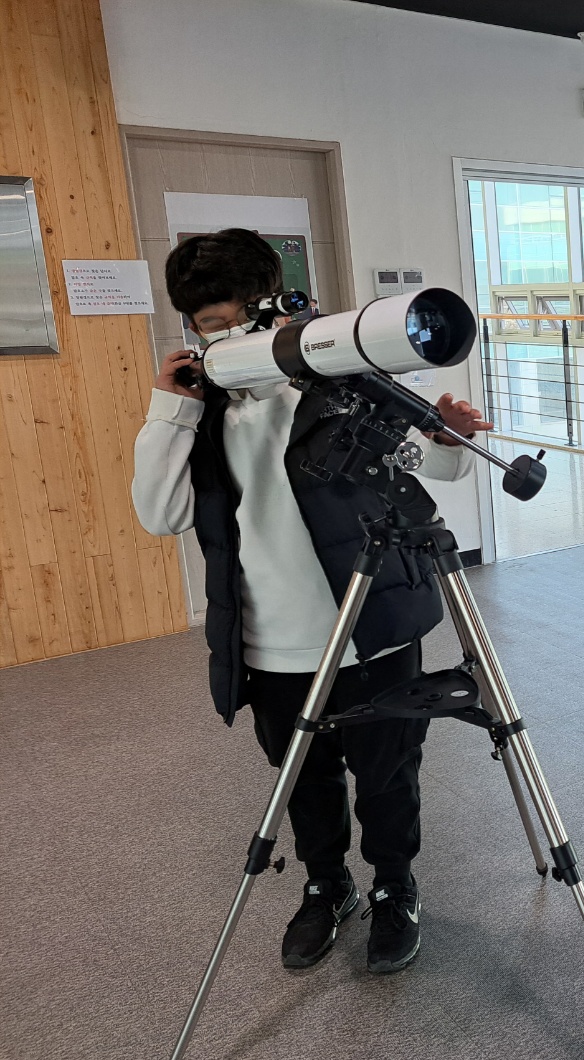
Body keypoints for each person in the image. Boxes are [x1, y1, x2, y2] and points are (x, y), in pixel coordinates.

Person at [131, 228, 490, 973]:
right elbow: (159, 514)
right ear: (190, 331)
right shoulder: (197, 413)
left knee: (389, 776)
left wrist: (450, 436)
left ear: (277, 311)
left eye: (244, 323)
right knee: (304, 778)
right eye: (210, 329)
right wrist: (172, 409)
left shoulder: (339, 381)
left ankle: (395, 886)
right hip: (271, 641)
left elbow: (440, 466)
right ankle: (328, 885)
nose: (232, 342)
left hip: (373, 632)